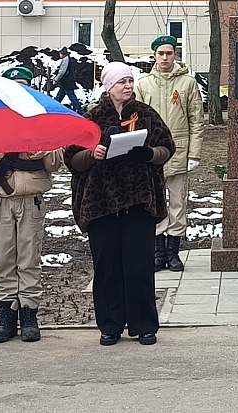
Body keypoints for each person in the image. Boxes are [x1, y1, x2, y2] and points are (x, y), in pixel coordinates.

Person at [66, 61, 176, 346]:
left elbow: (167, 147)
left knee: (139, 264)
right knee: (108, 266)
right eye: (121, 82)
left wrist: (148, 153)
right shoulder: (91, 118)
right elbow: (72, 160)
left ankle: (144, 324)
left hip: (138, 200)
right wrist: (94, 154)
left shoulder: (146, 114)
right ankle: (110, 325)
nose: (127, 86)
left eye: (130, 81)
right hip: (101, 202)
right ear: (108, 87)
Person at [0, 65, 64, 343]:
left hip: (31, 201)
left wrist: (46, 148)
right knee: (3, 259)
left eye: (24, 84)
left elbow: (59, 161)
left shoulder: (41, 118)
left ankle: (29, 314)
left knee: (29, 258)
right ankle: (6, 315)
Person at [135, 35, 206, 273]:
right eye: (160, 53)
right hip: (151, 155)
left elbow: (196, 120)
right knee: (155, 203)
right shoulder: (144, 85)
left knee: (177, 203)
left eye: (169, 53)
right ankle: (158, 252)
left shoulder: (187, 83)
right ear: (154, 56)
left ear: (175, 54)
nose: (165, 58)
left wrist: (194, 154)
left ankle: (174, 252)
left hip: (179, 153)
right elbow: (134, 120)